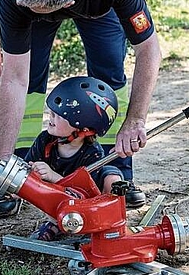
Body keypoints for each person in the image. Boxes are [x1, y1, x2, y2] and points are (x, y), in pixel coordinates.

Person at [0, 0, 162, 216]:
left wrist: (136, 120)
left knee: (108, 75)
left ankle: (116, 171)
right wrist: (2, 161)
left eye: (31, 7)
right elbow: (13, 80)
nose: (21, 6)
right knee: (29, 80)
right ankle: (19, 173)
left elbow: (149, 49)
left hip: (97, 2)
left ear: (67, 4)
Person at [25, 76, 125, 241]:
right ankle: (56, 222)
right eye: (51, 112)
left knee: (112, 176)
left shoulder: (93, 154)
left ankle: (105, 220)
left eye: (57, 115)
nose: (50, 117)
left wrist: (52, 176)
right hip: (57, 201)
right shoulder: (45, 140)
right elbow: (26, 169)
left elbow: (84, 196)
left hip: (86, 202)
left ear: (83, 128)